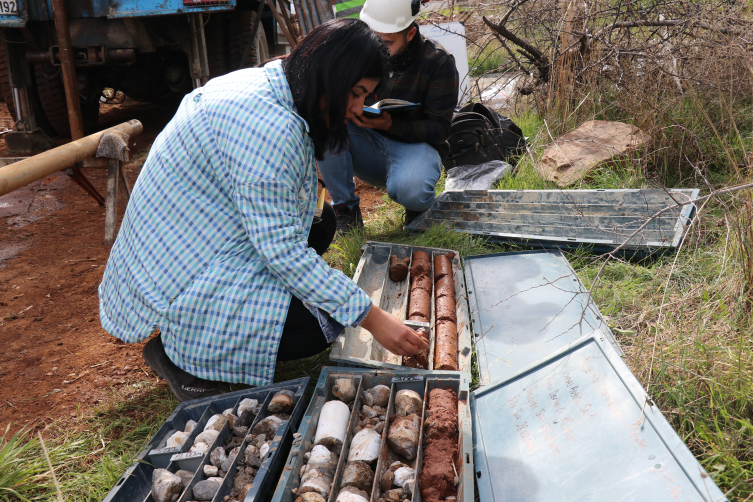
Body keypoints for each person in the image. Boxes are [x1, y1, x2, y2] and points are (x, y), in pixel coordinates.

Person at [98, 19, 428, 402]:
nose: (355, 109)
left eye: (364, 97)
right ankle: (182, 354)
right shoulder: (269, 126)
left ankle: (208, 324)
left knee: (322, 223)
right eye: (354, 93)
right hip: (180, 273)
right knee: (317, 327)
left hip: (187, 239)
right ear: (330, 72)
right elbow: (282, 252)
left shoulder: (274, 80)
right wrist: (373, 318)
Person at [317, 0, 460, 233]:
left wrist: (392, 124)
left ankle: (416, 207)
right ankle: (346, 212)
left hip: (414, 148)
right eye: (374, 38)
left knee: (412, 190)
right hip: (365, 140)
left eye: (387, 42)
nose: (378, 49)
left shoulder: (438, 62)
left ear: (410, 34)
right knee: (326, 122)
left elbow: (440, 129)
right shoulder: (359, 53)